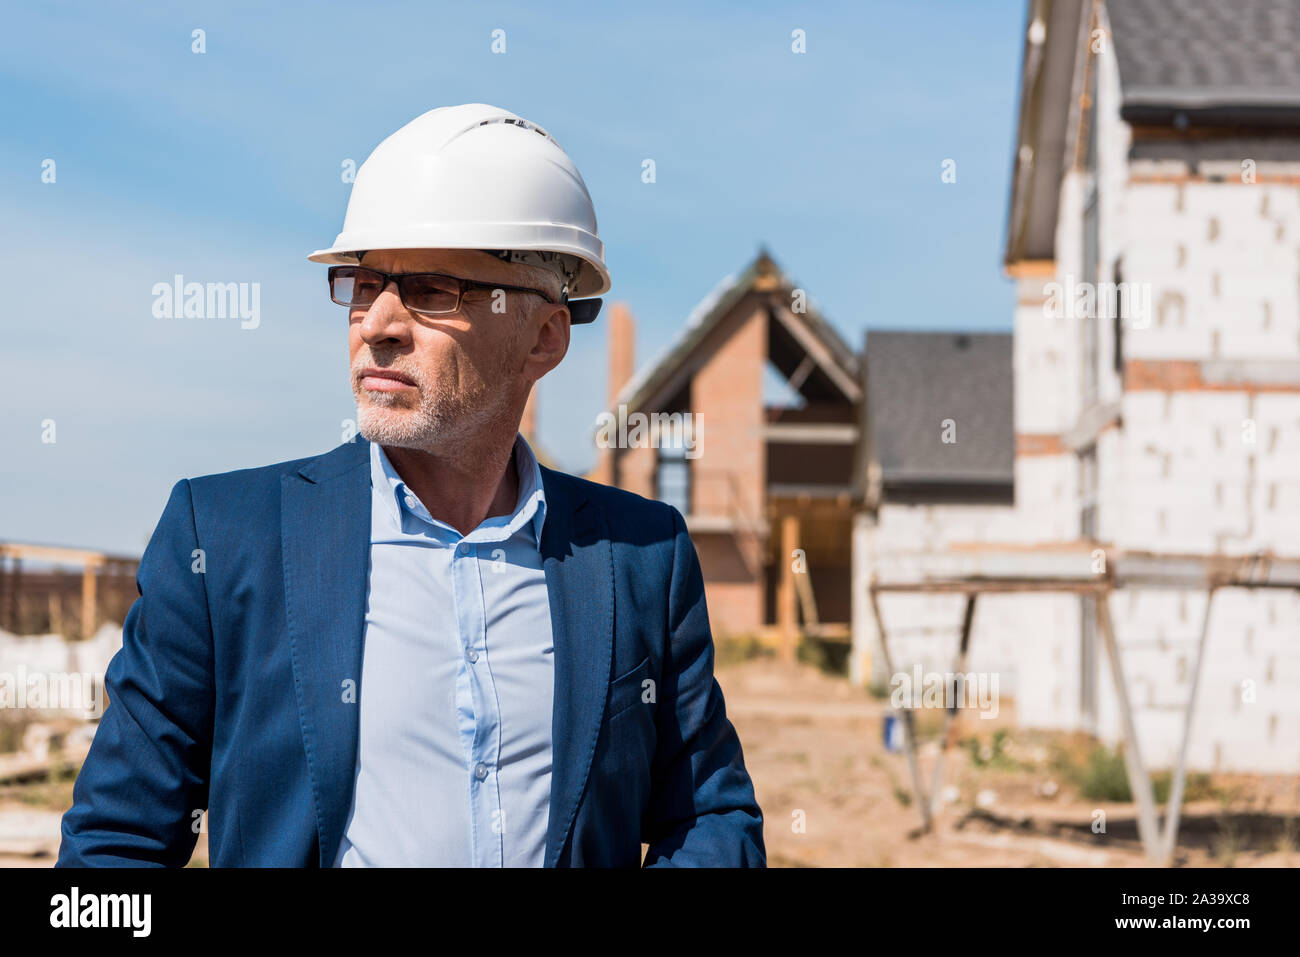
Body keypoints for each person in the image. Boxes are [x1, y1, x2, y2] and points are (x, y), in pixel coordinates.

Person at [57, 103, 765, 867]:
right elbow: (113, 849)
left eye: (432, 290)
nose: (378, 323)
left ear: (544, 337)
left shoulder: (640, 556)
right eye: (364, 284)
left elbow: (712, 817)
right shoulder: (225, 539)